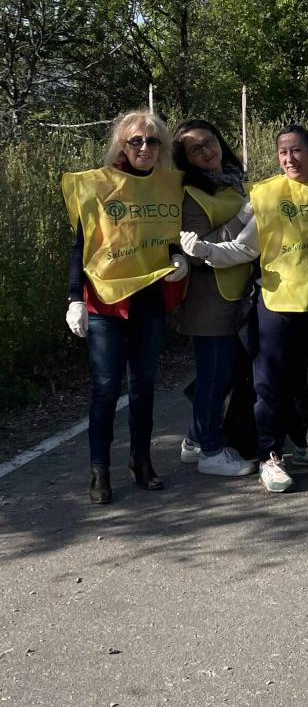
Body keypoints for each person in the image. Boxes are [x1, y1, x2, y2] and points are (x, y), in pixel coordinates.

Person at [180, 125, 308, 493]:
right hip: (278, 300)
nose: (290, 158)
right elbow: (243, 248)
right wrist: (206, 252)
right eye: (283, 152)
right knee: (270, 383)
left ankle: (306, 444)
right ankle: (270, 455)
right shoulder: (267, 193)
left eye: (297, 150)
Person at [63, 109, 188, 503]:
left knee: (144, 386)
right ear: (122, 145)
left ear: (162, 146)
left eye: (152, 141)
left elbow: (170, 234)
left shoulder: (170, 186)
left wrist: (180, 259)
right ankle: (99, 470)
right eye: (136, 141)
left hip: (149, 298)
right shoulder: (99, 186)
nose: (145, 148)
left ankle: (141, 460)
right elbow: (81, 246)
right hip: (105, 302)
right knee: (104, 388)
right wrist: (73, 298)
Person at [172, 118, 256, 479]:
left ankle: (195, 436)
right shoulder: (190, 193)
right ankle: (211, 449)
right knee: (215, 375)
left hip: (241, 291)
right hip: (209, 298)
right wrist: (243, 217)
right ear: (186, 158)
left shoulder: (235, 178)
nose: (206, 151)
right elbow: (193, 249)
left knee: (226, 372)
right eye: (196, 149)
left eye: (209, 142)